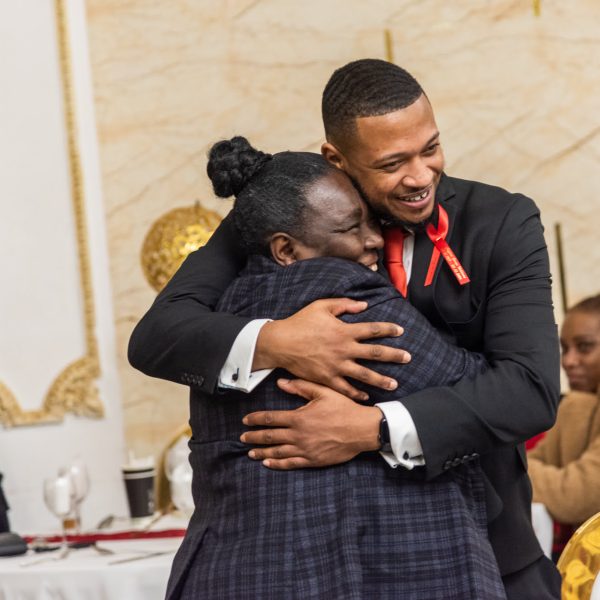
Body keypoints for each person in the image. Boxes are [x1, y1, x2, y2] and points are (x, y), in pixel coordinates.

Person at [128, 59, 561, 598]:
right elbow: (159, 335)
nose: (421, 176)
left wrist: (369, 429)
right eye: (392, 162)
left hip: (484, 544)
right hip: (307, 557)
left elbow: (530, 391)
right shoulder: (293, 205)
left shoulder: (500, 221)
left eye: (430, 149)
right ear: (338, 157)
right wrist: (281, 341)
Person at [164, 137, 505, 599]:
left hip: (232, 570)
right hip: (376, 567)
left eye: (370, 220)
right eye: (350, 227)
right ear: (286, 249)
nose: (373, 239)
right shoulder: (344, 290)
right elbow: (476, 390)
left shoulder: (222, 310)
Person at [528, 295, 600, 529]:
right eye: (565, 348)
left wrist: (506, 467)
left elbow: (575, 496)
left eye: (584, 347)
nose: (568, 361)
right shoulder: (580, 404)